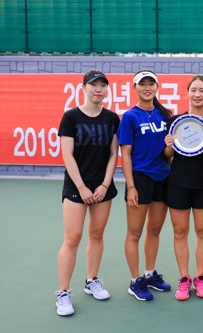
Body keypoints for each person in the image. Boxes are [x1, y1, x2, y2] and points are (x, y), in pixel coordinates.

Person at [56, 70, 120, 316]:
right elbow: (67, 155)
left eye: (103, 85)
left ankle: (91, 280)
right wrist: (82, 188)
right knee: (72, 238)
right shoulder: (71, 117)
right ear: (83, 87)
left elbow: (114, 154)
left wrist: (104, 185)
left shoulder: (112, 118)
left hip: (102, 185)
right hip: (76, 187)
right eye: (94, 85)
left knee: (97, 234)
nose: (99, 89)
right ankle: (63, 293)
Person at [164, 75, 203, 301]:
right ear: (187, 93)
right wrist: (168, 146)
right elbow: (168, 155)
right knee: (180, 232)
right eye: (194, 90)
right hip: (178, 183)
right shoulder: (176, 121)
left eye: (202, 90)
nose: (198, 94)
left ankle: (200, 277)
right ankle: (184, 278)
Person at [117, 69, 172, 302]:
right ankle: (135, 280)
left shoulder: (165, 114)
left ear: (157, 88)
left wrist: (172, 145)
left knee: (155, 230)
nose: (147, 87)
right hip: (139, 180)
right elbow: (125, 154)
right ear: (135, 88)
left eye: (151, 84)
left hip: (163, 178)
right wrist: (130, 186)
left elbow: (168, 153)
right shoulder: (130, 117)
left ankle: (149, 274)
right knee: (135, 232)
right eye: (142, 84)